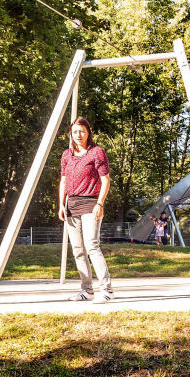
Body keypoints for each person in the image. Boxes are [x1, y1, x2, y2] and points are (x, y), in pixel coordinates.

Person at [58, 116, 113, 303]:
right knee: (77, 249)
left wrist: (100, 203)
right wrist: (61, 204)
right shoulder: (67, 155)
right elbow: (64, 181)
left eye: (82, 131)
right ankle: (86, 290)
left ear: (88, 132)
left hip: (91, 204)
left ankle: (106, 290)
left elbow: (105, 180)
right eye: (75, 132)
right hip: (71, 206)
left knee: (92, 246)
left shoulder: (97, 152)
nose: (78, 135)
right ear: (71, 134)